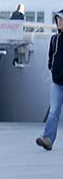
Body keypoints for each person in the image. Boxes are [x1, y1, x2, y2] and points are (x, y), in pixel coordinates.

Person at [36, 9, 63, 150]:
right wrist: (52, 69)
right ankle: (48, 139)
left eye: (62, 19)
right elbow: (50, 56)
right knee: (53, 112)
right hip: (57, 84)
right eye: (58, 19)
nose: (59, 22)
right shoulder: (54, 39)